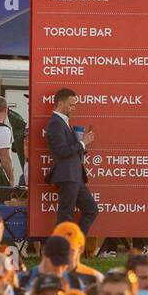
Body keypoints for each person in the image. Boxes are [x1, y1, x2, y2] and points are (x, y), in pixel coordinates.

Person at [44, 88, 97, 234]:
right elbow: (61, 151)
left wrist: (83, 144)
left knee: (91, 209)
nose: (74, 108)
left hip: (75, 175)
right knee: (65, 217)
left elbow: (69, 149)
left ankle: (73, 244)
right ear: (60, 103)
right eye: (71, 105)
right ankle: (62, 250)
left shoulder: (63, 122)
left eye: (74, 105)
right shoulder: (55, 123)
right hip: (67, 175)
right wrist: (82, 143)